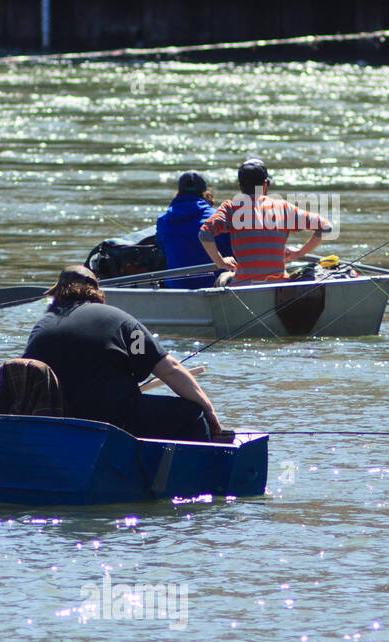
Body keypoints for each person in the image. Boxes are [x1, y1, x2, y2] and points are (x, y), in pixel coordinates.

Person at [21, 265, 221, 441]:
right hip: (115, 420)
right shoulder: (120, 321)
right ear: (96, 291)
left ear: (57, 292)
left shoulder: (42, 328)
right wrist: (208, 409)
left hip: (58, 420)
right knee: (193, 414)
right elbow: (168, 370)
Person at [198, 158, 332, 285]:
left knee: (223, 277)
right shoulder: (283, 207)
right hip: (279, 287)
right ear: (264, 184)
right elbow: (325, 227)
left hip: (243, 286)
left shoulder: (231, 208)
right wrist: (299, 253)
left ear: (240, 186)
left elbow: (204, 233)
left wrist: (220, 262)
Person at [155, 171, 231, 288]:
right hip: (215, 287)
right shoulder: (218, 218)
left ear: (179, 192)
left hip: (176, 288)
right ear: (205, 193)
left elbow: (164, 252)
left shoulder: (162, 221)